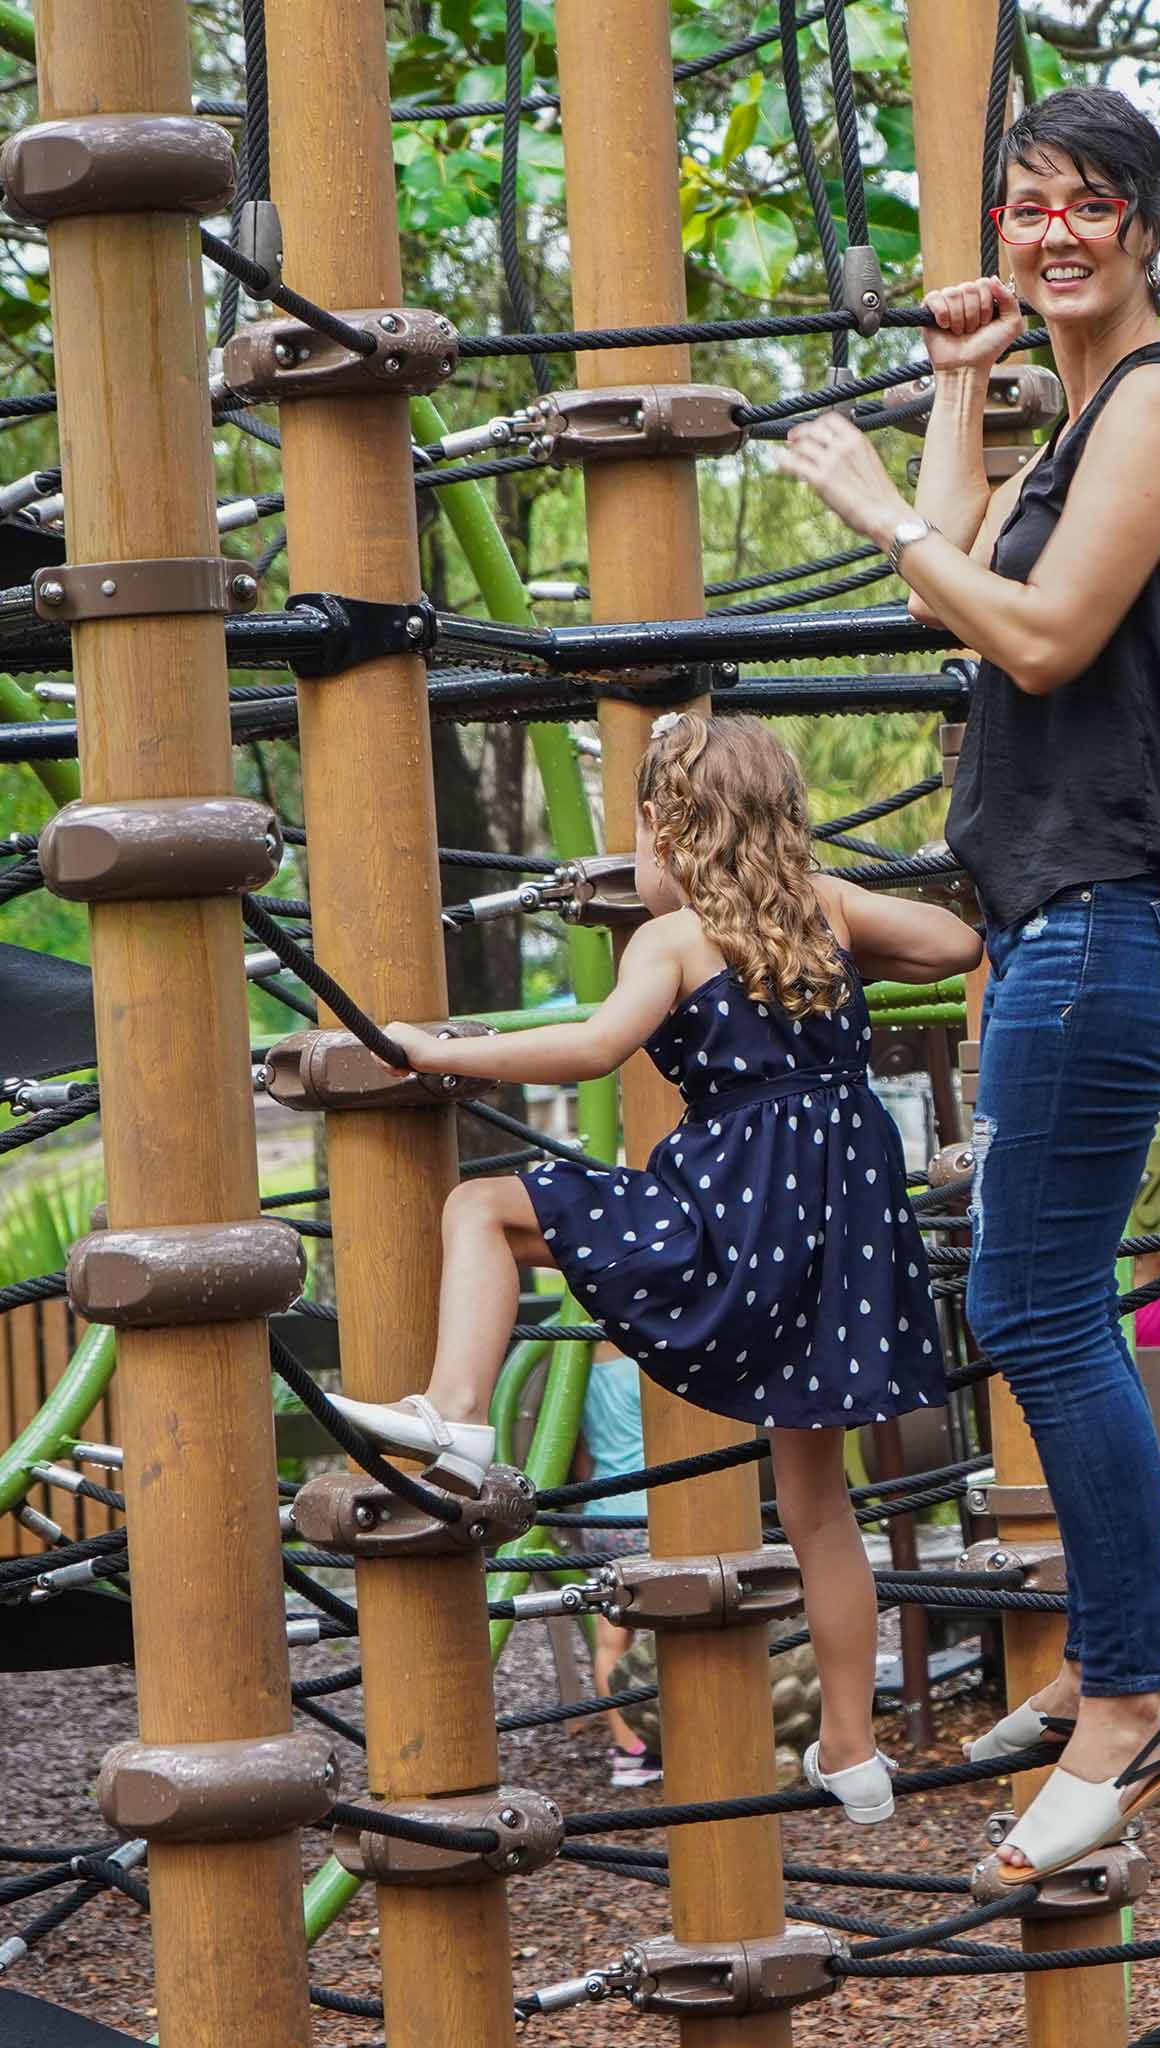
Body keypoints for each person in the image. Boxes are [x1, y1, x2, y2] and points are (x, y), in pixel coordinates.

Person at [779, 85, 1160, 1885]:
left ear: (1140, 222)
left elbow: (1042, 635)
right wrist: (956, 391)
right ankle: (1105, 1670)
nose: (1047, 235)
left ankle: (1134, 1696)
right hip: (1061, 912)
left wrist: (854, 493)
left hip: (1116, 903)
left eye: (1080, 207)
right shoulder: (1073, 415)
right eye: (1019, 210)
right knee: (1032, 1291)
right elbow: (953, 592)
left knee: (1038, 1302)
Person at [328, 712, 984, 1826]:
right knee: (820, 1505)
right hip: (831, 1250)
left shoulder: (670, 944)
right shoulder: (825, 910)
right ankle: (850, 1744)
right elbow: (954, 945)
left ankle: (455, 1409)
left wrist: (439, 1052)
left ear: (668, 832)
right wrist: (826, 919)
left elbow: (591, 1046)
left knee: (484, 1206)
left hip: (729, 1227)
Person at [570, 1350, 660, 1788]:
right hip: (649, 1513)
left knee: (611, 1640)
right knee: (676, 1626)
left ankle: (628, 1750)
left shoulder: (580, 1363)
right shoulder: (648, 1361)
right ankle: (680, 1735)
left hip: (602, 1514)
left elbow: (583, 1457)